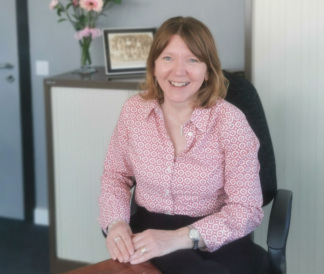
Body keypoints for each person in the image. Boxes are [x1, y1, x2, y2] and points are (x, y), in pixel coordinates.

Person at [98, 16, 264, 274]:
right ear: (153, 66)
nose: (178, 71)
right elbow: (115, 176)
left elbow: (246, 209)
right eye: (167, 58)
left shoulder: (230, 121)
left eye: (192, 60)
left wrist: (178, 238)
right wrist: (116, 222)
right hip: (148, 233)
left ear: (208, 71)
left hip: (215, 236)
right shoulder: (133, 112)